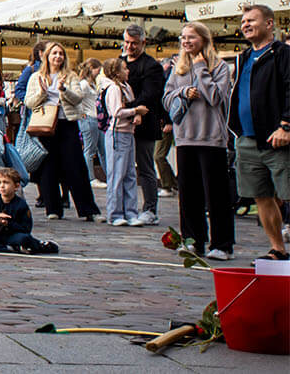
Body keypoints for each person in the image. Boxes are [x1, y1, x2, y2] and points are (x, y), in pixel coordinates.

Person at [161, 23, 233, 258]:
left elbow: (215, 97)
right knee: (189, 193)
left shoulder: (220, 67)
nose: (186, 42)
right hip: (185, 138)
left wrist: (201, 68)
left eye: (191, 37)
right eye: (183, 37)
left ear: (203, 39)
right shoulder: (178, 68)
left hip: (211, 137)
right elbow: (166, 97)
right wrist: (183, 92)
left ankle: (222, 244)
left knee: (216, 194)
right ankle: (193, 240)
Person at [230, 5, 289, 262]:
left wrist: (286, 125)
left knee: (287, 192)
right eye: (243, 21)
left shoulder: (283, 54)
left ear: (269, 24)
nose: (245, 25)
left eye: (251, 20)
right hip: (248, 139)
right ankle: (278, 248)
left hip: (277, 136)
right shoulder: (243, 57)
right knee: (261, 195)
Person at [24, 41, 102, 222]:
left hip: (67, 124)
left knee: (76, 166)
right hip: (44, 125)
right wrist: (42, 94)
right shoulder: (36, 77)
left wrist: (63, 90)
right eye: (54, 53)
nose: (58, 57)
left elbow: (78, 98)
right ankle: (53, 208)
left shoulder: (71, 76)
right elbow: (29, 101)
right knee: (48, 168)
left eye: (60, 54)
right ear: (47, 57)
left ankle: (87, 209)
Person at [122, 24, 167, 226]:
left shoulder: (151, 66)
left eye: (134, 43)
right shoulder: (121, 62)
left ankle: (150, 208)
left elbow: (150, 95)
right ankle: (125, 207)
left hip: (145, 124)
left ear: (143, 43)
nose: (129, 46)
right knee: (123, 167)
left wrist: (126, 107)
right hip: (123, 124)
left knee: (146, 167)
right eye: (127, 42)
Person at [0, 167, 58, 255]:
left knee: (24, 239)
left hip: (12, 236)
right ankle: (10, 248)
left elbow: (26, 228)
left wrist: (8, 224)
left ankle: (38, 245)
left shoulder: (21, 204)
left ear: (16, 186)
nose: (2, 186)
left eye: (6, 183)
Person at [100, 57, 141, 226]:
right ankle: (115, 213)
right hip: (117, 133)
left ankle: (130, 212)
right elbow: (116, 112)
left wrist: (135, 113)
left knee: (130, 173)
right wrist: (135, 111)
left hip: (128, 132)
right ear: (116, 72)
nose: (128, 71)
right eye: (124, 68)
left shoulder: (126, 87)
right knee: (117, 173)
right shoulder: (114, 89)